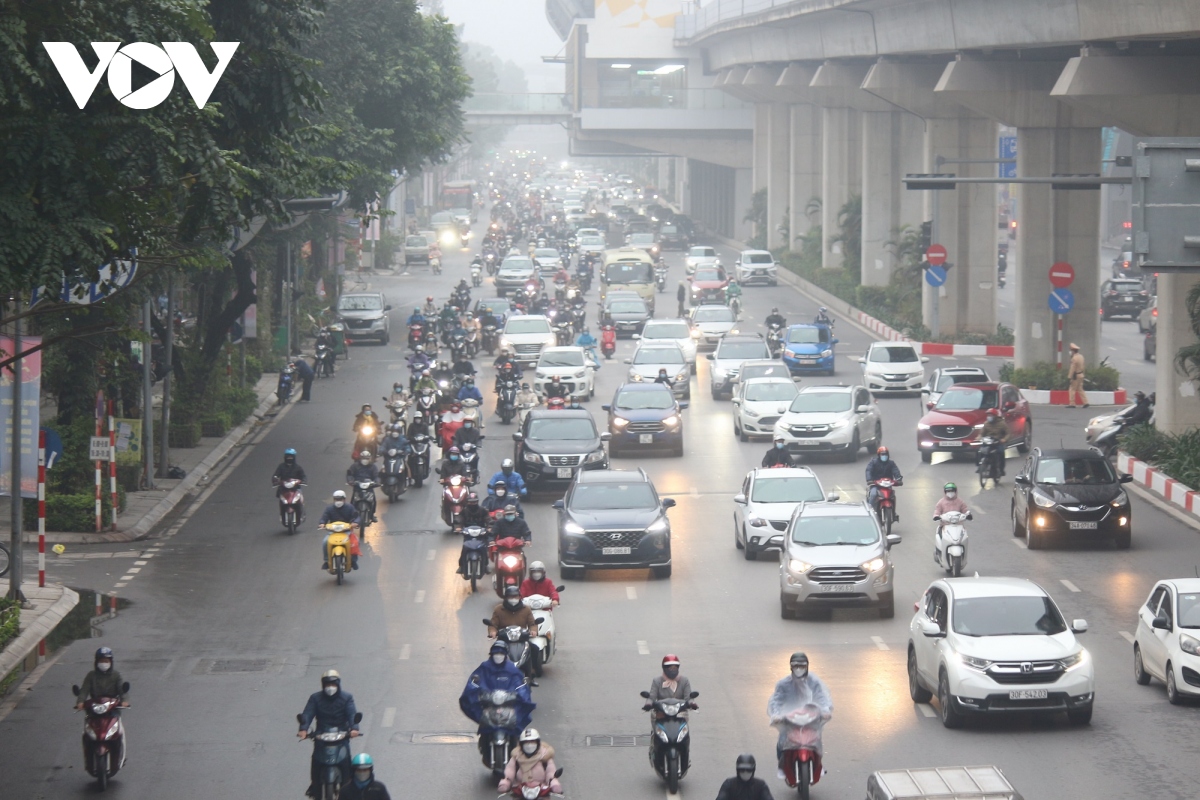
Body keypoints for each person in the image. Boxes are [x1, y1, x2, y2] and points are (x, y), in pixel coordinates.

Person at [458, 642, 535, 758]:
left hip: (508, 707)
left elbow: (519, 684)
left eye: (500, 653)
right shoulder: (484, 668)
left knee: (517, 723)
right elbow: (475, 681)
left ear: (505, 655)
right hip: (489, 706)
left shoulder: (512, 670)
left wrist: (519, 693)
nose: (498, 656)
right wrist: (477, 691)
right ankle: (484, 742)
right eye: (496, 653)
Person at [767, 652, 832, 779]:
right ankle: (781, 765)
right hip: (790, 718)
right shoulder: (783, 684)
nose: (798, 668)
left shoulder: (814, 682)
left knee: (816, 739)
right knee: (782, 741)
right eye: (795, 665)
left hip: (809, 717)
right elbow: (777, 701)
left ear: (807, 666)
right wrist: (776, 714)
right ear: (791, 667)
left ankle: (818, 763)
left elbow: (821, 697)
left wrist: (825, 710)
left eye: (801, 666)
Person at [298, 670, 360, 799]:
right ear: (322, 685)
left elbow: (352, 714)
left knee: (346, 761)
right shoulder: (315, 698)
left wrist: (354, 728)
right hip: (321, 735)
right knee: (316, 762)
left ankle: (350, 788)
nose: (330, 687)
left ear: (338, 684)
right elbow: (308, 713)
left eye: (332, 684)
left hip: (342, 735)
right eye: (327, 684)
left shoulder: (347, 698)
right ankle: (314, 786)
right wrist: (304, 729)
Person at [645, 654, 696, 768]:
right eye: (670, 668)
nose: (672, 670)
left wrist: (692, 703)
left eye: (675, 667)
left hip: (679, 713)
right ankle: (654, 747)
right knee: (656, 727)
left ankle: (685, 752)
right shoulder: (657, 681)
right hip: (661, 713)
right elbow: (652, 696)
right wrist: (648, 703)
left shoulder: (684, 681)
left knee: (685, 734)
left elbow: (689, 697)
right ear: (664, 668)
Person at [498, 728, 562, 795]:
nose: (529, 745)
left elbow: (550, 773)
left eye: (532, 742)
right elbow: (510, 771)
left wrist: (554, 784)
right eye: (526, 742)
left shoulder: (545, 757)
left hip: (542, 791)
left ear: (537, 743)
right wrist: (505, 783)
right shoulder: (516, 757)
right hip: (520, 791)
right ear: (521, 744)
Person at [318, 491, 360, 570]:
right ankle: (327, 561)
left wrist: (355, 522)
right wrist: (322, 523)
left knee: (356, 541)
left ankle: (353, 561)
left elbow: (356, 517)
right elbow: (324, 518)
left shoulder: (350, 507)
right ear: (334, 500)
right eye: (336, 499)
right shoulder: (329, 508)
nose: (338, 501)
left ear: (344, 499)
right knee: (325, 542)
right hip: (332, 532)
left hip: (346, 531)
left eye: (340, 499)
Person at [933, 482, 973, 563]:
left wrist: (968, 514)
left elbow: (965, 510)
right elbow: (937, 510)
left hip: (958, 525)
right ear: (945, 492)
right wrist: (936, 516)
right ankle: (939, 553)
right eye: (948, 491)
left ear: (956, 491)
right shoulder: (941, 502)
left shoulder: (960, 501)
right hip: (945, 525)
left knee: (964, 537)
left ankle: (964, 557)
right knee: (939, 536)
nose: (950, 493)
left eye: (952, 491)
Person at [865, 446, 903, 521]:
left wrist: (898, 479)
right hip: (876, 485)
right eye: (882, 454)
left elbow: (896, 471)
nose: (884, 456)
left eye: (885, 454)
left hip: (887, 485)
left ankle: (893, 513)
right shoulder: (873, 462)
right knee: (873, 494)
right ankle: (869, 512)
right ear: (879, 455)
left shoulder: (891, 463)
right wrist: (869, 480)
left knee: (892, 496)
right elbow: (868, 471)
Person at [272, 448, 308, 521]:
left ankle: (302, 514)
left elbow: (303, 476)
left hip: (296, 488)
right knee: (281, 500)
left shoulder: (298, 467)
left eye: (291, 457)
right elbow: (276, 475)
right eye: (288, 457)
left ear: (294, 457)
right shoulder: (281, 466)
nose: (289, 458)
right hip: (283, 488)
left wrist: (303, 481)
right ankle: (281, 514)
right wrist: (275, 480)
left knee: (301, 499)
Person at [346, 451, 380, 523]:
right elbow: (350, 475)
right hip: (358, 486)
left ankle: (372, 515)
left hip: (369, 486)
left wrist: (376, 482)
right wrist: (351, 481)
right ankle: (351, 515)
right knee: (353, 501)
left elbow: (377, 476)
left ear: (370, 459)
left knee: (373, 500)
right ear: (360, 458)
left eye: (367, 458)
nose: (365, 460)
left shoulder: (373, 467)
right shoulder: (354, 466)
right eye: (363, 458)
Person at [978, 408, 1009, 479]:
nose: (989, 417)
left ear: (995, 416)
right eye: (988, 415)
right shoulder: (986, 424)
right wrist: (979, 437)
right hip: (988, 441)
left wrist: (1004, 439)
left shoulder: (1002, 423)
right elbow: (982, 433)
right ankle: (980, 466)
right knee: (980, 451)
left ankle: (1001, 470)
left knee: (1000, 453)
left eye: (991, 415)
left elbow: (1008, 433)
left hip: (998, 442)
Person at [1066, 343, 1089, 408]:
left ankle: (1072, 403)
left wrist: (1069, 377)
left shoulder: (1074, 358)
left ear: (1073, 351)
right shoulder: (1081, 357)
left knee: (1072, 389)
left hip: (1075, 376)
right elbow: (1083, 366)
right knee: (1080, 389)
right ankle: (1086, 402)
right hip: (1081, 375)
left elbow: (1072, 369)